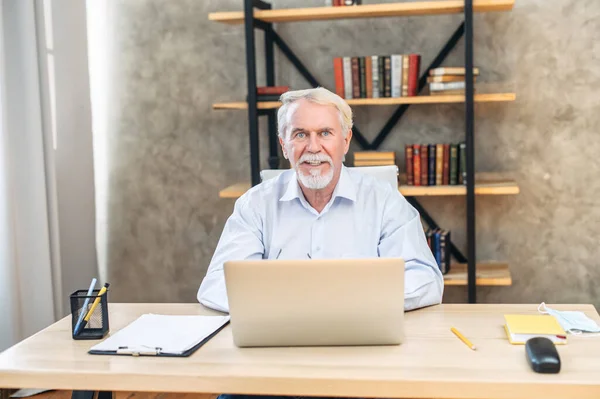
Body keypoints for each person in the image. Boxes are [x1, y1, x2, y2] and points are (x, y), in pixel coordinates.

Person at [198, 87, 443, 312]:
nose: (313, 147)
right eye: (300, 134)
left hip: (361, 335)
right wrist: (296, 304)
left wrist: (346, 301)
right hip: (280, 340)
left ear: (345, 142)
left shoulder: (385, 201)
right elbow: (218, 284)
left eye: (325, 133)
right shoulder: (254, 205)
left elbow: (425, 279)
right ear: (284, 146)